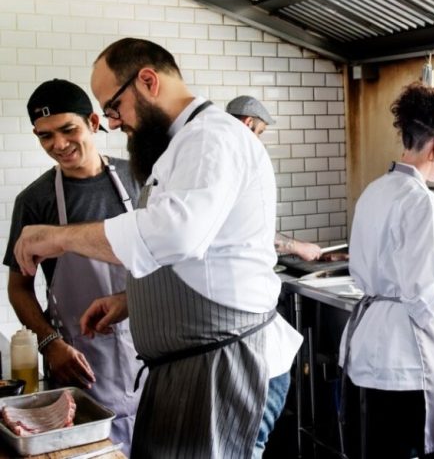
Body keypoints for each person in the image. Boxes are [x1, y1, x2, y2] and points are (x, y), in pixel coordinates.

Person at [13, 38, 303, 458]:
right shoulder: (180, 147)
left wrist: (57, 236)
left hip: (225, 365)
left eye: (113, 107)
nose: (113, 123)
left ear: (147, 81)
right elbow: (195, 259)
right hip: (192, 367)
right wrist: (130, 300)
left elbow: (174, 234)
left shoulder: (210, 138)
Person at [338, 82, 434, 459]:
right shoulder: (423, 203)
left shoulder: (377, 189)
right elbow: (424, 299)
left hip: (371, 353)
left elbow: (395, 250)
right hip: (407, 361)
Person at [2, 79, 142, 453]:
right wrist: (50, 344)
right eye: (45, 136)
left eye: (68, 130)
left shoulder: (140, 176)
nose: (59, 145)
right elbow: (18, 287)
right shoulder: (35, 200)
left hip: (150, 352)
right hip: (81, 362)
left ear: (93, 122)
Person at [226, 95, 324, 262]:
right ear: (248, 123)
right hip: (237, 270)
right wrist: (298, 247)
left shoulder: (222, 155)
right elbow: (250, 229)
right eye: (260, 132)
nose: (258, 140)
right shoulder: (239, 162)